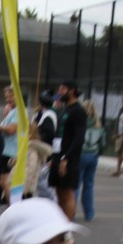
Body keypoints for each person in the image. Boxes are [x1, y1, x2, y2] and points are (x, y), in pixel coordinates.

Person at [49, 80, 86, 221]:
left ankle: (68, 227)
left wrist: (66, 158)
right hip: (57, 154)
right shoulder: (64, 109)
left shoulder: (78, 111)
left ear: (72, 91)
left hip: (69, 159)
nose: (60, 92)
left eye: (63, 89)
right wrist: (53, 158)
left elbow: (79, 138)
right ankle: (60, 225)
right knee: (59, 192)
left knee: (68, 194)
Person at [23, 90, 57, 200]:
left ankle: (51, 201)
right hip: (42, 151)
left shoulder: (48, 116)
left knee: (41, 180)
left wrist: (37, 139)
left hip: (44, 152)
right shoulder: (44, 114)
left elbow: (48, 134)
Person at [76, 99, 105, 222]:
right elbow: (102, 144)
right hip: (93, 155)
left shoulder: (80, 124)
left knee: (76, 184)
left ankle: (71, 212)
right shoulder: (98, 126)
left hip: (81, 154)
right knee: (89, 185)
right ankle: (89, 213)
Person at [0, 86, 20, 206]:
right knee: (3, 182)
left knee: (6, 183)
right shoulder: (12, 111)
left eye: (9, 97)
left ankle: (14, 208)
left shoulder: (18, 112)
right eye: (6, 97)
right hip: (7, 150)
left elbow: (11, 130)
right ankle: (11, 207)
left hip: (12, 152)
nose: (7, 100)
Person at [111, 96, 123, 176]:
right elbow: (118, 121)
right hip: (119, 133)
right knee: (119, 151)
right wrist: (115, 132)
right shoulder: (121, 110)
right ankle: (118, 168)